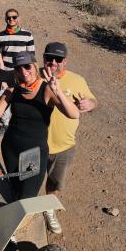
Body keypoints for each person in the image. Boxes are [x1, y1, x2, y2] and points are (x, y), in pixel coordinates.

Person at [0, 51, 80, 201]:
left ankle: (23, 220)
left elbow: (74, 114)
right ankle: (15, 218)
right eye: (18, 68)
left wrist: (57, 91)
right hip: (11, 148)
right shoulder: (13, 89)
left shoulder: (47, 89)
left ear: (35, 66)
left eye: (27, 67)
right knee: (15, 190)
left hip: (35, 153)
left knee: (27, 196)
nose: (23, 72)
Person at [42, 42, 97, 234]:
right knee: (29, 181)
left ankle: (49, 209)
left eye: (58, 59)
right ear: (43, 58)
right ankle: (27, 212)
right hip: (35, 144)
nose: (53, 63)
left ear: (65, 61)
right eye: (49, 58)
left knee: (55, 182)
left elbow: (93, 101)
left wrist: (90, 104)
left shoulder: (77, 80)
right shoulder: (31, 75)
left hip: (63, 145)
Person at [0, 9, 36, 130]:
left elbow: (31, 57)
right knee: (5, 99)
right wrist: (1, 78)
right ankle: (5, 124)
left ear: (19, 18)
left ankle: (22, 123)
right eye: (9, 18)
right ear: (5, 19)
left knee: (23, 99)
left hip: (23, 74)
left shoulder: (28, 36)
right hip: (7, 74)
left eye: (14, 17)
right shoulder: (0, 37)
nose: (11, 20)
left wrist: (32, 76)